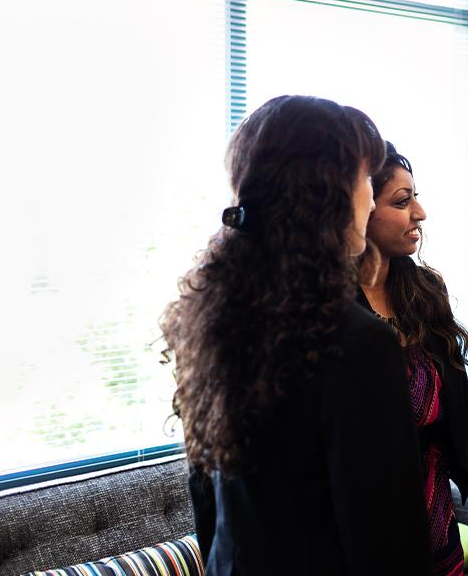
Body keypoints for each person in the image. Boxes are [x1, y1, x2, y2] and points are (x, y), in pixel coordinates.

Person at [162, 95, 430, 575]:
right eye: (365, 182)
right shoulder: (357, 343)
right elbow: (389, 545)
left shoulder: (212, 319)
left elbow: (210, 508)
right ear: (328, 194)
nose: (369, 199)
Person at [357, 143, 468, 576]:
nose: (420, 212)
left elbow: (459, 414)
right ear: (359, 210)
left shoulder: (425, 292)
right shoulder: (331, 311)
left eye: (415, 197)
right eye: (402, 202)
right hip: (372, 518)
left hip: (434, 509)